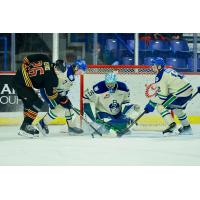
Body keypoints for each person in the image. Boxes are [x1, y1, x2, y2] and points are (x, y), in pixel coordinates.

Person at [13, 54, 68, 138]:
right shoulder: (52, 78)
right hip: (22, 83)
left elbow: (26, 59)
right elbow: (51, 95)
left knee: (29, 104)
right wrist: (62, 99)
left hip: (19, 77)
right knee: (37, 102)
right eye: (58, 68)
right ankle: (25, 127)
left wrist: (26, 68)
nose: (58, 71)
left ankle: (26, 126)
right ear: (56, 65)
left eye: (60, 70)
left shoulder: (46, 58)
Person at [144, 57, 193, 135]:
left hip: (180, 93)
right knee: (176, 108)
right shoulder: (168, 71)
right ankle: (187, 128)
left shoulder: (160, 75)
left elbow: (162, 97)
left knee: (160, 106)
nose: (152, 67)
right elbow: (166, 91)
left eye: (154, 65)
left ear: (159, 67)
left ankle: (172, 125)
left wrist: (151, 103)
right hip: (188, 91)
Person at [36, 59, 87, 135]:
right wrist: (61, 98)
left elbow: (63, 89)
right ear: (76, 68)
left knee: (69, 108)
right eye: (81, 71)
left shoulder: (71, 75)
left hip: (56, 93)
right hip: (48, 92)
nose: (81, 74)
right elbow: (49, 85)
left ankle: (71, 127)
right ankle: (42, 123)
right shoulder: (63, 72)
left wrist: (64, 98)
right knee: (59, 109)